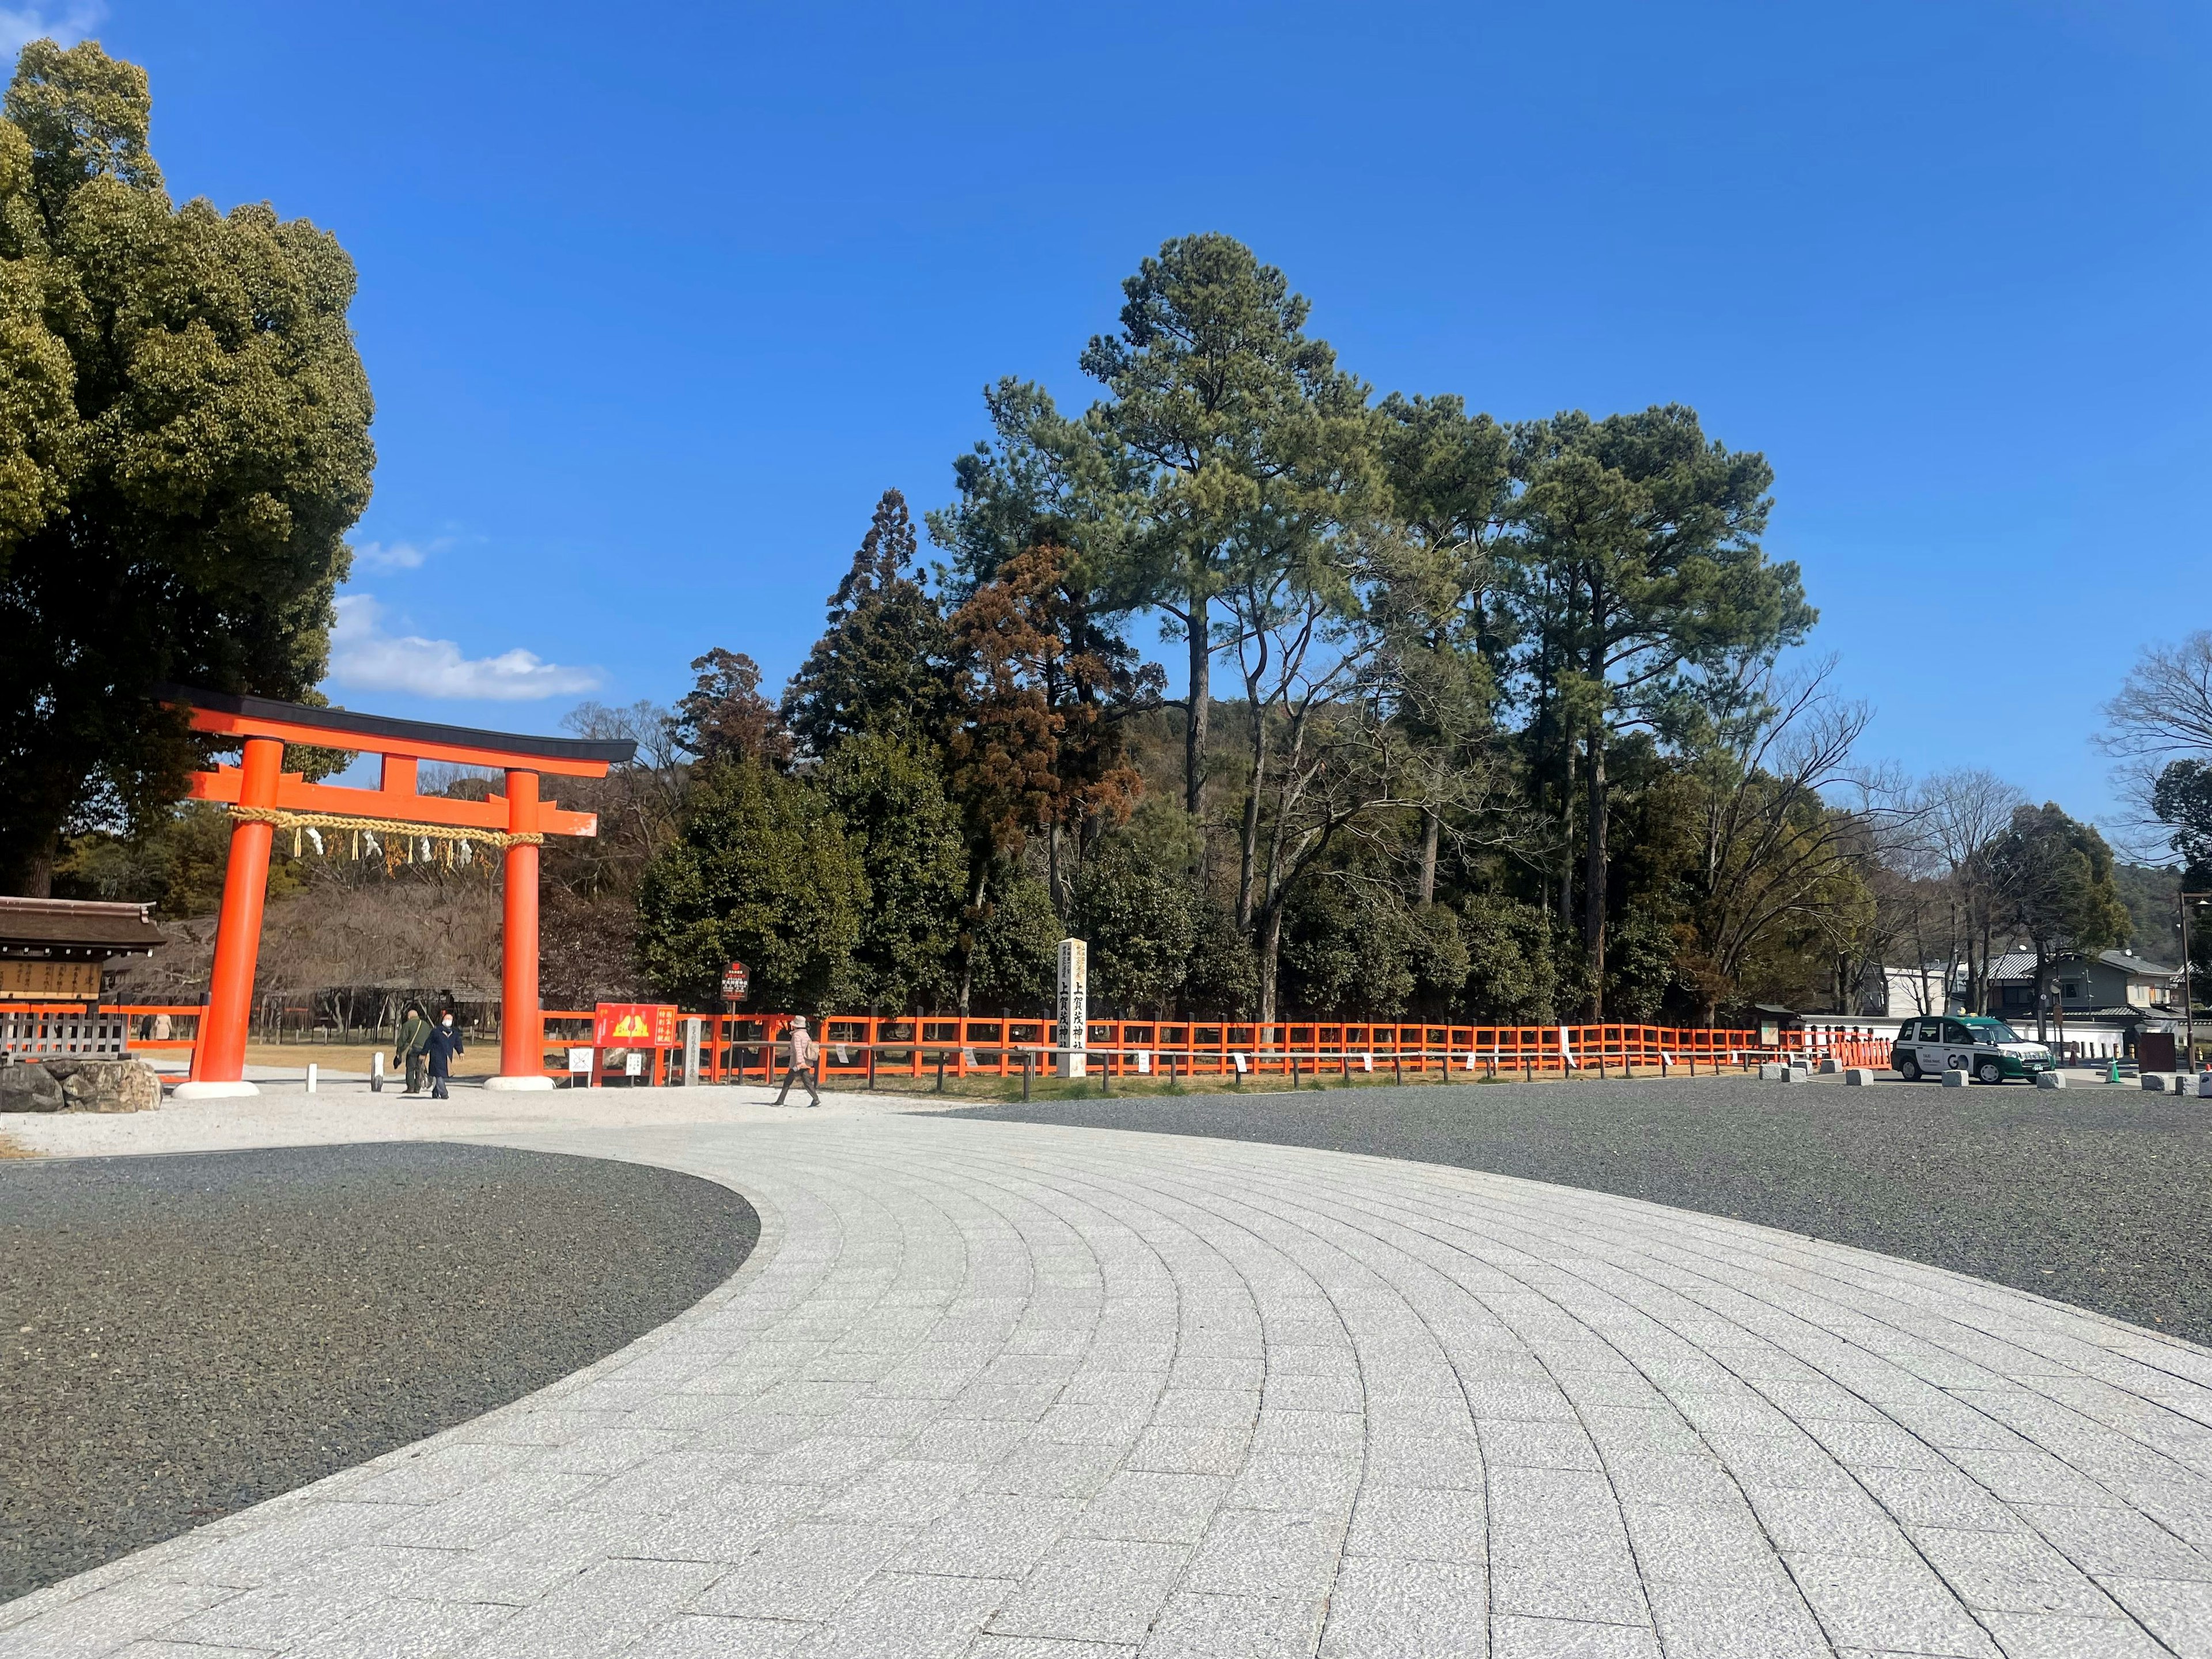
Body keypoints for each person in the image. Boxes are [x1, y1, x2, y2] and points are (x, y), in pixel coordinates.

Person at [774, 1014, 820, 1107]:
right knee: (806, 1082)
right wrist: (783, 1055)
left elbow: (797, 1050)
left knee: (788, 1082)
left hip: (797, 1064)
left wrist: (799, 1063)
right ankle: (816, 1100)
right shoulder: (805, 1034)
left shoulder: (796, 1036)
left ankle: (780, 1101)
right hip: (805, 1062)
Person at [426, 1007, 465, 1100]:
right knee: (439, 1075)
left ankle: (435, 1093)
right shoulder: (436, 1032)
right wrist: (424, 1054)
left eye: (450, 1019)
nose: (448, 1021)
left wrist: (461, 1052)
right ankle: (444, 1093)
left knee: (440, 1074)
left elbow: (458, 1043)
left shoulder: (454, 1033)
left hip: (447, 1057)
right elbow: (428, 1043)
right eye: (446, 1019)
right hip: (436, 1056)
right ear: (443, 1020)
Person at [395, 1001, 430, 1096]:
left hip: (412, 1050)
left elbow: (402, 1039)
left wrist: (399, 1052)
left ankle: (411, 1087)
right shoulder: (426, 1025)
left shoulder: (408, 1025)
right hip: (423, 1050)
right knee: (419, 1068)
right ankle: (418, 1088)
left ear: (409, 1017)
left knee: (410, 1069)